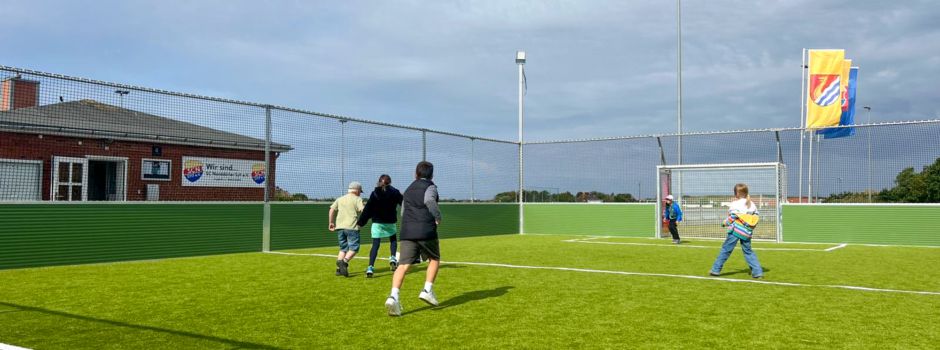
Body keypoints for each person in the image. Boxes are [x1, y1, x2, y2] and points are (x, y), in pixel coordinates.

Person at [385, 161, 442, 316]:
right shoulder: (431, 187)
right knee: (434, 259)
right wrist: (438, 217)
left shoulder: (408, 189)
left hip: (407, 231)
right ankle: (427, 290)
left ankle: (393, 296)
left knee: (403, 265)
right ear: (431, 175)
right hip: (425, 230)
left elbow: (403, 211)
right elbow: (429, 200)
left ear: (415, 174)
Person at [709, 183, 764, 279]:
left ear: (736, 193)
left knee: (726, 249)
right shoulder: (752, 204)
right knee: (748, 251)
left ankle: (715, 269)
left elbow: (732, 217)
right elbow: (755, 217)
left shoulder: (735, 204)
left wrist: (724, 223)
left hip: (735, 231)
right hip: (747, 232)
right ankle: (757, 272)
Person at [356, 174, 403, 278]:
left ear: (379, 181)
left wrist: (360, 223)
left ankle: (370, 267)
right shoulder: (395, 192)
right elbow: (403, 203)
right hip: (390, 221)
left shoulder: (374, 193)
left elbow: (367, 210)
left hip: (377, 223)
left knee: (375, 245)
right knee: (393, 239)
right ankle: (392, 257)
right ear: (390, 182)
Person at [328, 181, 365, 277]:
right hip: (352, 227)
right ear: (357, 191)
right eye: (360, 191)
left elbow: (331, 209)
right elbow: (363, 211)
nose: (360, 193)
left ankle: (338, 269)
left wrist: (331, 223)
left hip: (340, 227)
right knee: (354, 248)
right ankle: (344, 262)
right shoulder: (358, 199)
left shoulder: (340, 199)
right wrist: (362, 222)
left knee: (343, 248)